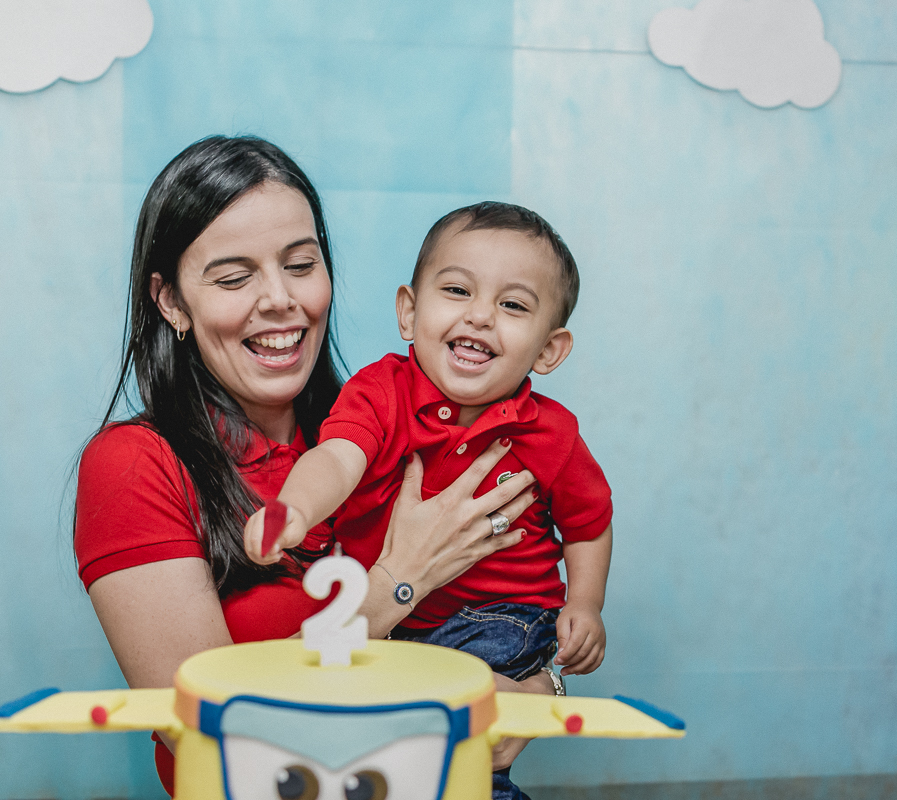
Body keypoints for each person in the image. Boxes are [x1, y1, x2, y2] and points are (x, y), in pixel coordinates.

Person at [73, 137, 551, 796]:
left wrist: (537, 685)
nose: (280, 300)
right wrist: (399, 581)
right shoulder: (134, 464)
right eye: (234, 277)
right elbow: (211, 719)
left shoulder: (385, 430)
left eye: (301, 264)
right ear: (172, 302)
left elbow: (509, 600)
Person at [243, 202, 614, 800]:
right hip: (397, 627)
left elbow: (589, 523)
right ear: (409, 313)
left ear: (549, 350)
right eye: (458, 290)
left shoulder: (554, 435)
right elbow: (338, 459)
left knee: (452, 750)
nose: (481, 316)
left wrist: (588, 603)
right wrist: (295, 510)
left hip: (505, 622)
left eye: (513, 305)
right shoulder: (380, 392)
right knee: (398, 757)